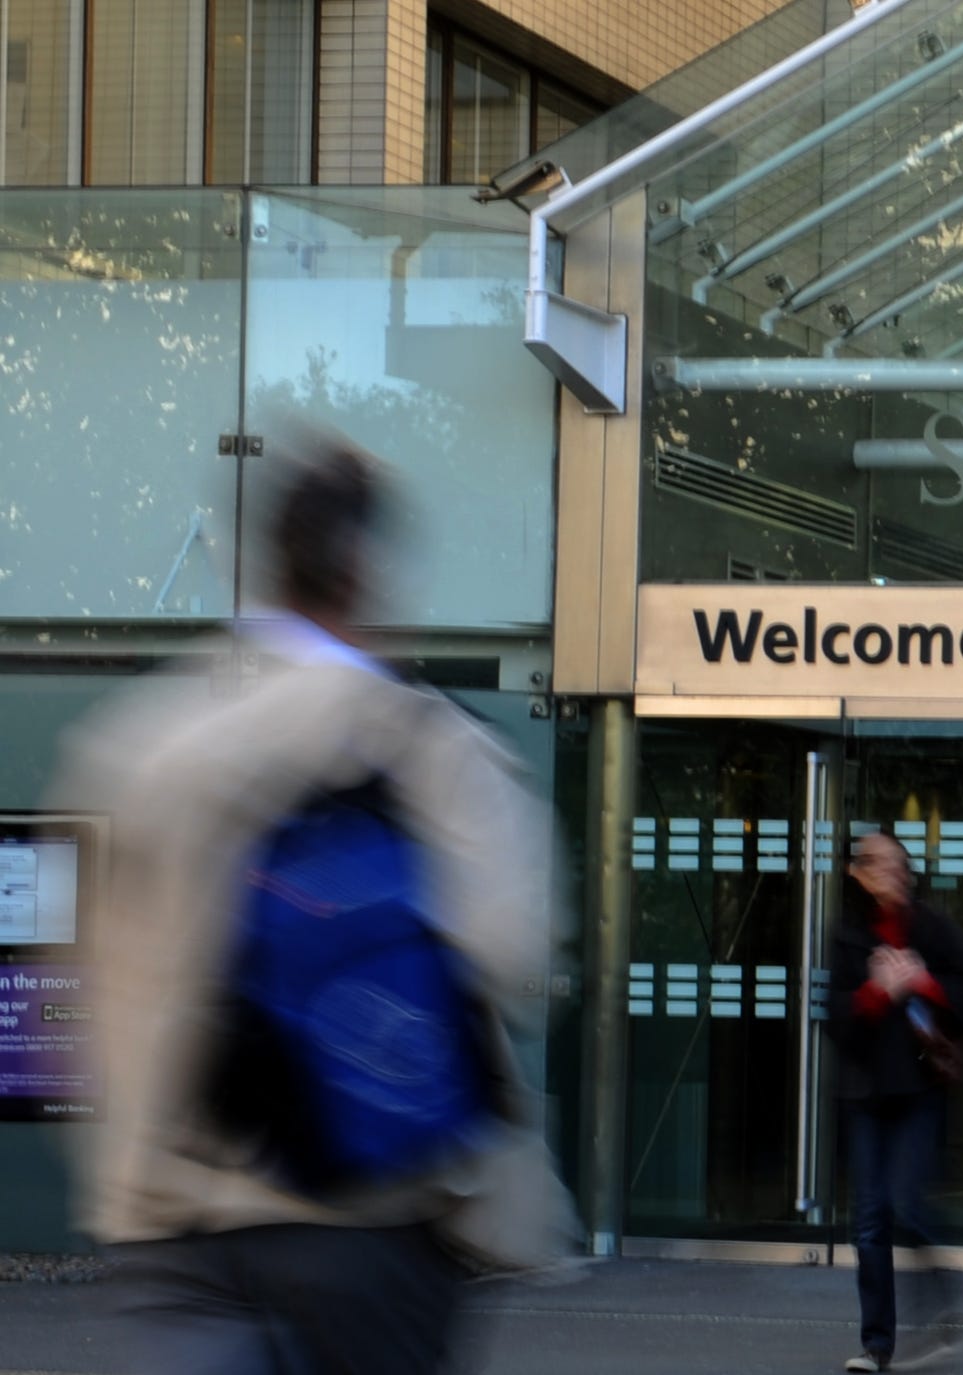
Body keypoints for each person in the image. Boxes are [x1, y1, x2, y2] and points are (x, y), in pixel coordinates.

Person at [55, 441, 576, 1375]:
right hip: (365, 1224)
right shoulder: (424, 744)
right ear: (364, 566)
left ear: (265, 558)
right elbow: (508, 954)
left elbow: (99, 983)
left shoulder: (140, 746)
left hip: (169, 1226)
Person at [827, 833, 963, 1373]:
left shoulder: (933, 928)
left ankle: (943, 1296)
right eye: (877, 864)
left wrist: (922, 981)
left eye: (897, 863)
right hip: (865, 1092)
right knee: (870, 1221)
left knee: (905, 1205)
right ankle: (877, 1345)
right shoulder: (849, 936)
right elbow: (837, 1021)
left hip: (919, 1090)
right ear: (859, 873)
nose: (890, 872)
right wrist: (878, 990)